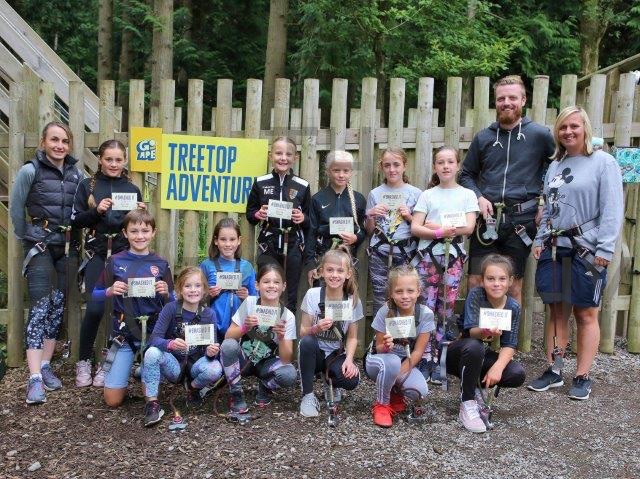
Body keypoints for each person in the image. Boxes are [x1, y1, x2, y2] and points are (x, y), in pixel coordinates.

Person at [528, 106, 623, 400]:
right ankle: (555, 369)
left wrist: (605, 248)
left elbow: (612, 208)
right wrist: (540, 239)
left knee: (585, 311)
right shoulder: (556, 166)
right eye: (563, 127)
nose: (568, 132)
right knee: (556, 309)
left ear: (585, 129)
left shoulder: (603, 163)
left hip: (588, 250)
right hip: (555, 248)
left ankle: (582, 375)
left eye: (574, 126)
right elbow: (549, 207)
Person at [459, 75, 555, 305]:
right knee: (476, 282)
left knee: (512, 286)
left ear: (523, 100)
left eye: (512, 98)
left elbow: (557, 172)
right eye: (501, 99)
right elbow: (466, 175)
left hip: (521, 222)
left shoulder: (540, 135)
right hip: (486, 221)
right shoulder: (483, 137)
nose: (506, 103)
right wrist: (478, 197)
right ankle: (476, 329)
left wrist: (545, 201)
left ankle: (509, 331)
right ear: (496, 102)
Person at [9, 122, 83, 404]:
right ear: (43, 142)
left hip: (67, 249)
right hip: (39, 247)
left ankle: (45, 365)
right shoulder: (30, 171)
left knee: (56, 307)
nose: (59, 146)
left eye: (64, 141)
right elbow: (16, 208)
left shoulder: (77, 174)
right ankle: (34, 378)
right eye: (54, 140)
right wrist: (28, 235)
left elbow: (87, 205)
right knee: (40, 308)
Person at [72, 139, 145, 388]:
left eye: (118, 159)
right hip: (97, 254)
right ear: (100, 160)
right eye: (109, 159)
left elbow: (138, 227)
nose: (114, 164)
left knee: (118, 311)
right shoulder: (88, 186)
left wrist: (140, 213)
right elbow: (76, 221)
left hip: (122, 257)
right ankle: (83, 361)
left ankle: (108, 364)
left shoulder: (132, 189)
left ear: (125, 161)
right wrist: (97, 212)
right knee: (94, 309)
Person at [92, 210, 174, 408]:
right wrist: (110, 290)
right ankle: (126, 368)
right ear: (125, 233)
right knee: (112, 401)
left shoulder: (161, 264)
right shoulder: (114, 261)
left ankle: (143, 369)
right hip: (124, 332)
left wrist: (167, 292)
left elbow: (174, 301)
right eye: (134, 231)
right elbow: (94, 294)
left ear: (153, 233)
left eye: (145, 231)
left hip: (152, 332)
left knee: (150, 395)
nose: (140, 236)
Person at [411, 146, 478, 384]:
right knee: (426, 308)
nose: (446, 166)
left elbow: (468, 227)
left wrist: (435, 227)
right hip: (428, 258)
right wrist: (439, 232)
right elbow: (416, 227)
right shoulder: (428, 195)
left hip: (453, 259)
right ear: (435, 167)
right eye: (441, 162)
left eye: (450, 162)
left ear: (458, 165)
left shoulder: (467, 195)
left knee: (446, 309)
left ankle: (440, 358)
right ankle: (423, 357)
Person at [446, 254, 526, 433]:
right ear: (482, 281)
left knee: (516, 373)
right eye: (491, 279)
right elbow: (471, 332)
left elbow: (510, 344)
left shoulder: (513, 307)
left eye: (502, 279)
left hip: (482, 353)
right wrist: (486, 331)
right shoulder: (476, 295)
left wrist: (497, 367)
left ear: (510, 281)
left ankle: (478, 389)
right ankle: (467, 403)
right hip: (459, 351)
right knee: (475, 346)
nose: (496, 283)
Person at [142, 267, 223, 427]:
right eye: (188, 286)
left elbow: (212, 349)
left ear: (204, 289)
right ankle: (152, 404)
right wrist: (170, 344)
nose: (193, 290)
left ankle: (193, 389)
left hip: (195, 366)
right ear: (179, 289)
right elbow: (154, 339)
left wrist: (211, 352)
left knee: (215, 369)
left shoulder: (209, 314)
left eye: (198, 286)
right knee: (151, 353)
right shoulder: (171, 308)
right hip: (175, 366)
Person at [220, 263, 297, 416]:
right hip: (243, 359)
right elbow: (228, 337)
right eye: (266, 281)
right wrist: (245, 327)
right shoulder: (250, 303)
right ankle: (236, 394)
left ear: (283, 286)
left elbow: (286, 358)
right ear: (257, 285)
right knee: (228, 345)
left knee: (289, 374)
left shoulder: (287, 316)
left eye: (276, 282)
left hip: (266, 362)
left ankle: (265, 385)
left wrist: (281, 337)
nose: (271, 286)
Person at [246, 137, 311, 312]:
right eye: (278, 153)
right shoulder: (260, 182)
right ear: (270, 156)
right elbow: (250, 214)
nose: (283, 158)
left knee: (290, 292)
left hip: (294, 244)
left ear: (295, 158)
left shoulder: (303, 185)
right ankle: (263, 327)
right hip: (269, 242)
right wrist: (258, 214)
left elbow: (310, 219)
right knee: (267, 287)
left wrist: (302, 218)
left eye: (288, 154)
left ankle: (286, 328)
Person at [365, 264, 433, 428]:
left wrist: (395, 377)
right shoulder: (384, 311)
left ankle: (394, 392)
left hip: (405, 361)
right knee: (392, 361)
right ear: (391, 293)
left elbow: (418, 352)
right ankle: (382, 404)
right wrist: (386, 346)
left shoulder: (425, 314)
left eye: (410, 291)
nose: (405, 296)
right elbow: (378, 348)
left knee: (420, 391)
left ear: (418, 291)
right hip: (379, 361)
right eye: (399, 291)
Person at [298, 246, 362, 417]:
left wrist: (349, 360)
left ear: (348, 274)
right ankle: (308, 395)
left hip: (336, 352)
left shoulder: (353, 301)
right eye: (330, 270)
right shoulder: (312, 295)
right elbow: (303, 332)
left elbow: (353, 337)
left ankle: (330, 381)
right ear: (321, 272)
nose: (334, 275)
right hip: (315, 352)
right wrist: (316, 328)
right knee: (307, 342)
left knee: (351, 380)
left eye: (340, 271)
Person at [365, 147, 422, 317]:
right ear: (381, 167)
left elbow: (420, 228)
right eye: (387, 165)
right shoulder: (375, 193)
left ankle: (404, 333)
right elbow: (369, 230)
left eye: (396, 165)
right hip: (380, 252)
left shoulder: (416, 193)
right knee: (380, 298)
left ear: (404, 166)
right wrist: (371, 214)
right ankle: (381, 333)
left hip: (406, 253)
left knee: (406, 298)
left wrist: (409, 216)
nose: (392, 169)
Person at [306, 150, 366, 285]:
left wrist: (356, 238)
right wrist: (310, 264)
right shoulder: (318, 199)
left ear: (351, 172)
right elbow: (311, 232)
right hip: (323, 258)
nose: (341, 175)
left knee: (346, 295)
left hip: (348, 260)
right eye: (336, 170)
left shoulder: (359, 199)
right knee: (323, 294)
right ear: (328, 171)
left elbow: (362, 229)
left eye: (346, 171)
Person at [200, 217, 257, 337]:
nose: (228, 244)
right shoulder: (206, 265)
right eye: (223, 239)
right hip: (212, 327)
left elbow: (256, 300)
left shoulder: (247, 267)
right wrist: (209, 295)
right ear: (216, 241)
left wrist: (247, 297)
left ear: (239, 240)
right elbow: (194, 298)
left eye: (232, 239)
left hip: (240, 330)